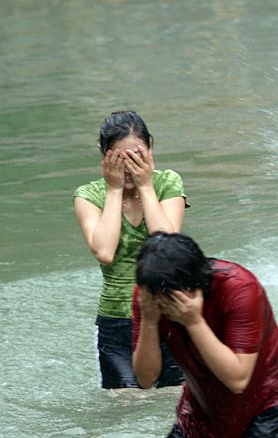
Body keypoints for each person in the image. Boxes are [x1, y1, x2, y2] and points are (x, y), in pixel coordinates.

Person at [132, 232, 278, 438]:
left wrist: (193, 321)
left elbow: (238, 380)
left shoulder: (239, 288)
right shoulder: (149, 294)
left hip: (266, 406)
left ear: (191, 284)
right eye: (155, 293)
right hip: (202, 406)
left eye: (170, 295)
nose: (162, 301)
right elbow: (145, 379)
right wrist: (149, 320)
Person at [73, 111, 187, 389]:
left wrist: (145, 186)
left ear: (150, 148)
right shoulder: (89, 195)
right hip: (116, 320)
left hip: (169, 314)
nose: (128, 168)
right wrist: (114, 191)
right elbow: (104, 252)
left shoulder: (167, 182)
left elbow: (166, 246)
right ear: (103, 153)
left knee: (174, 398)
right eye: (119, 159)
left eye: (136, 157)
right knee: (126, 403)